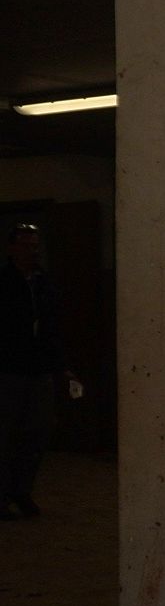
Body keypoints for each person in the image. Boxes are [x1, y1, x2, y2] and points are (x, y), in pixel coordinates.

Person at [0, 222, 64, 519]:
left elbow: (53, 328)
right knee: (7, 434)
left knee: (36, 433)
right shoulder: (4, 282)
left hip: (38, 369)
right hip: (9, 369)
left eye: (35, 246)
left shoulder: (43, 283)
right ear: (12, 248)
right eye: (26, 245)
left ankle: (21, 490)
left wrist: (60, 365)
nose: (32, 251)